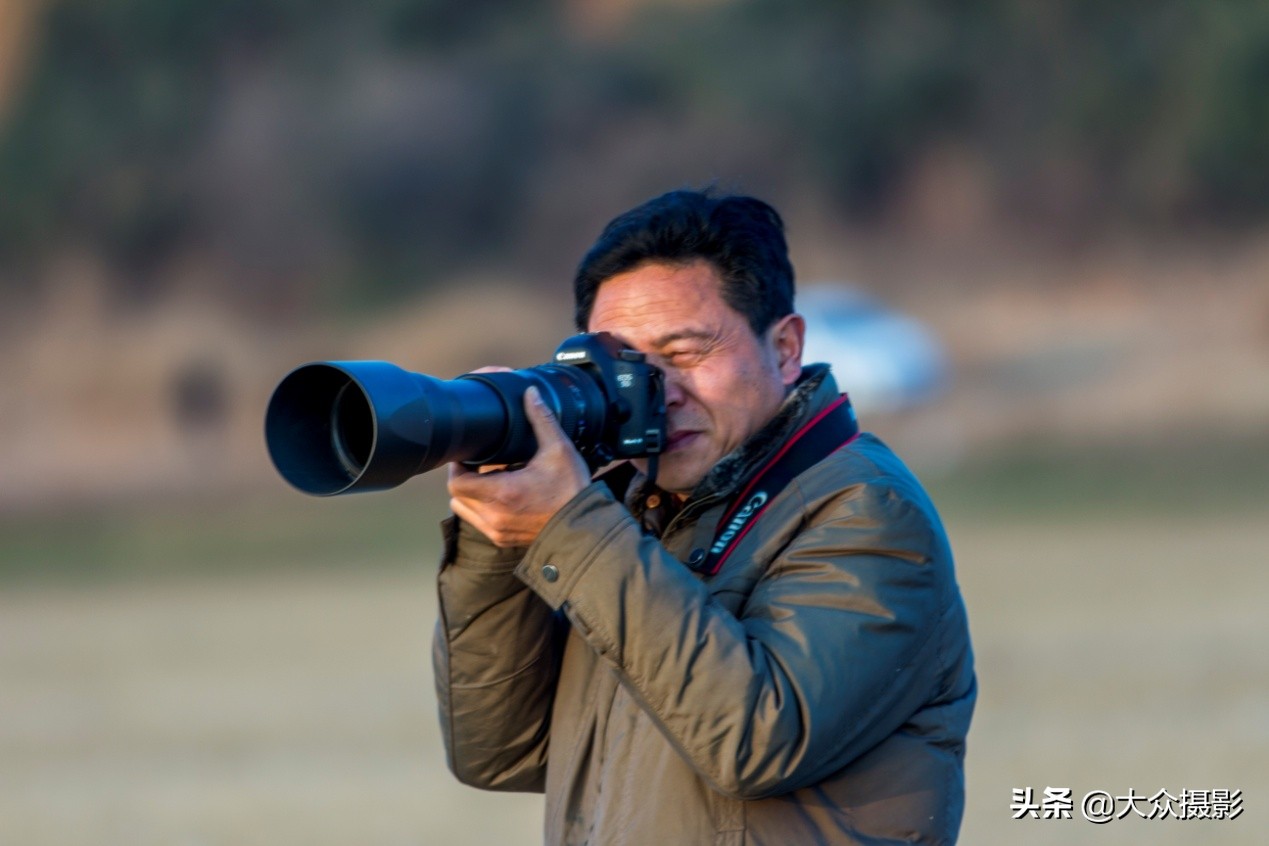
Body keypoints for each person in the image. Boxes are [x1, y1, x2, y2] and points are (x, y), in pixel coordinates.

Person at [433, 189, 976, 845]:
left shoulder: (866, 511)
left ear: (783, 348)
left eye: (686, 352)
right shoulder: (630, 517)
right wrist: (499, 541)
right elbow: (501, 750)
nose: (656, 396)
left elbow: (756, 740)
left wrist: (567, 529)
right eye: (626, 367)